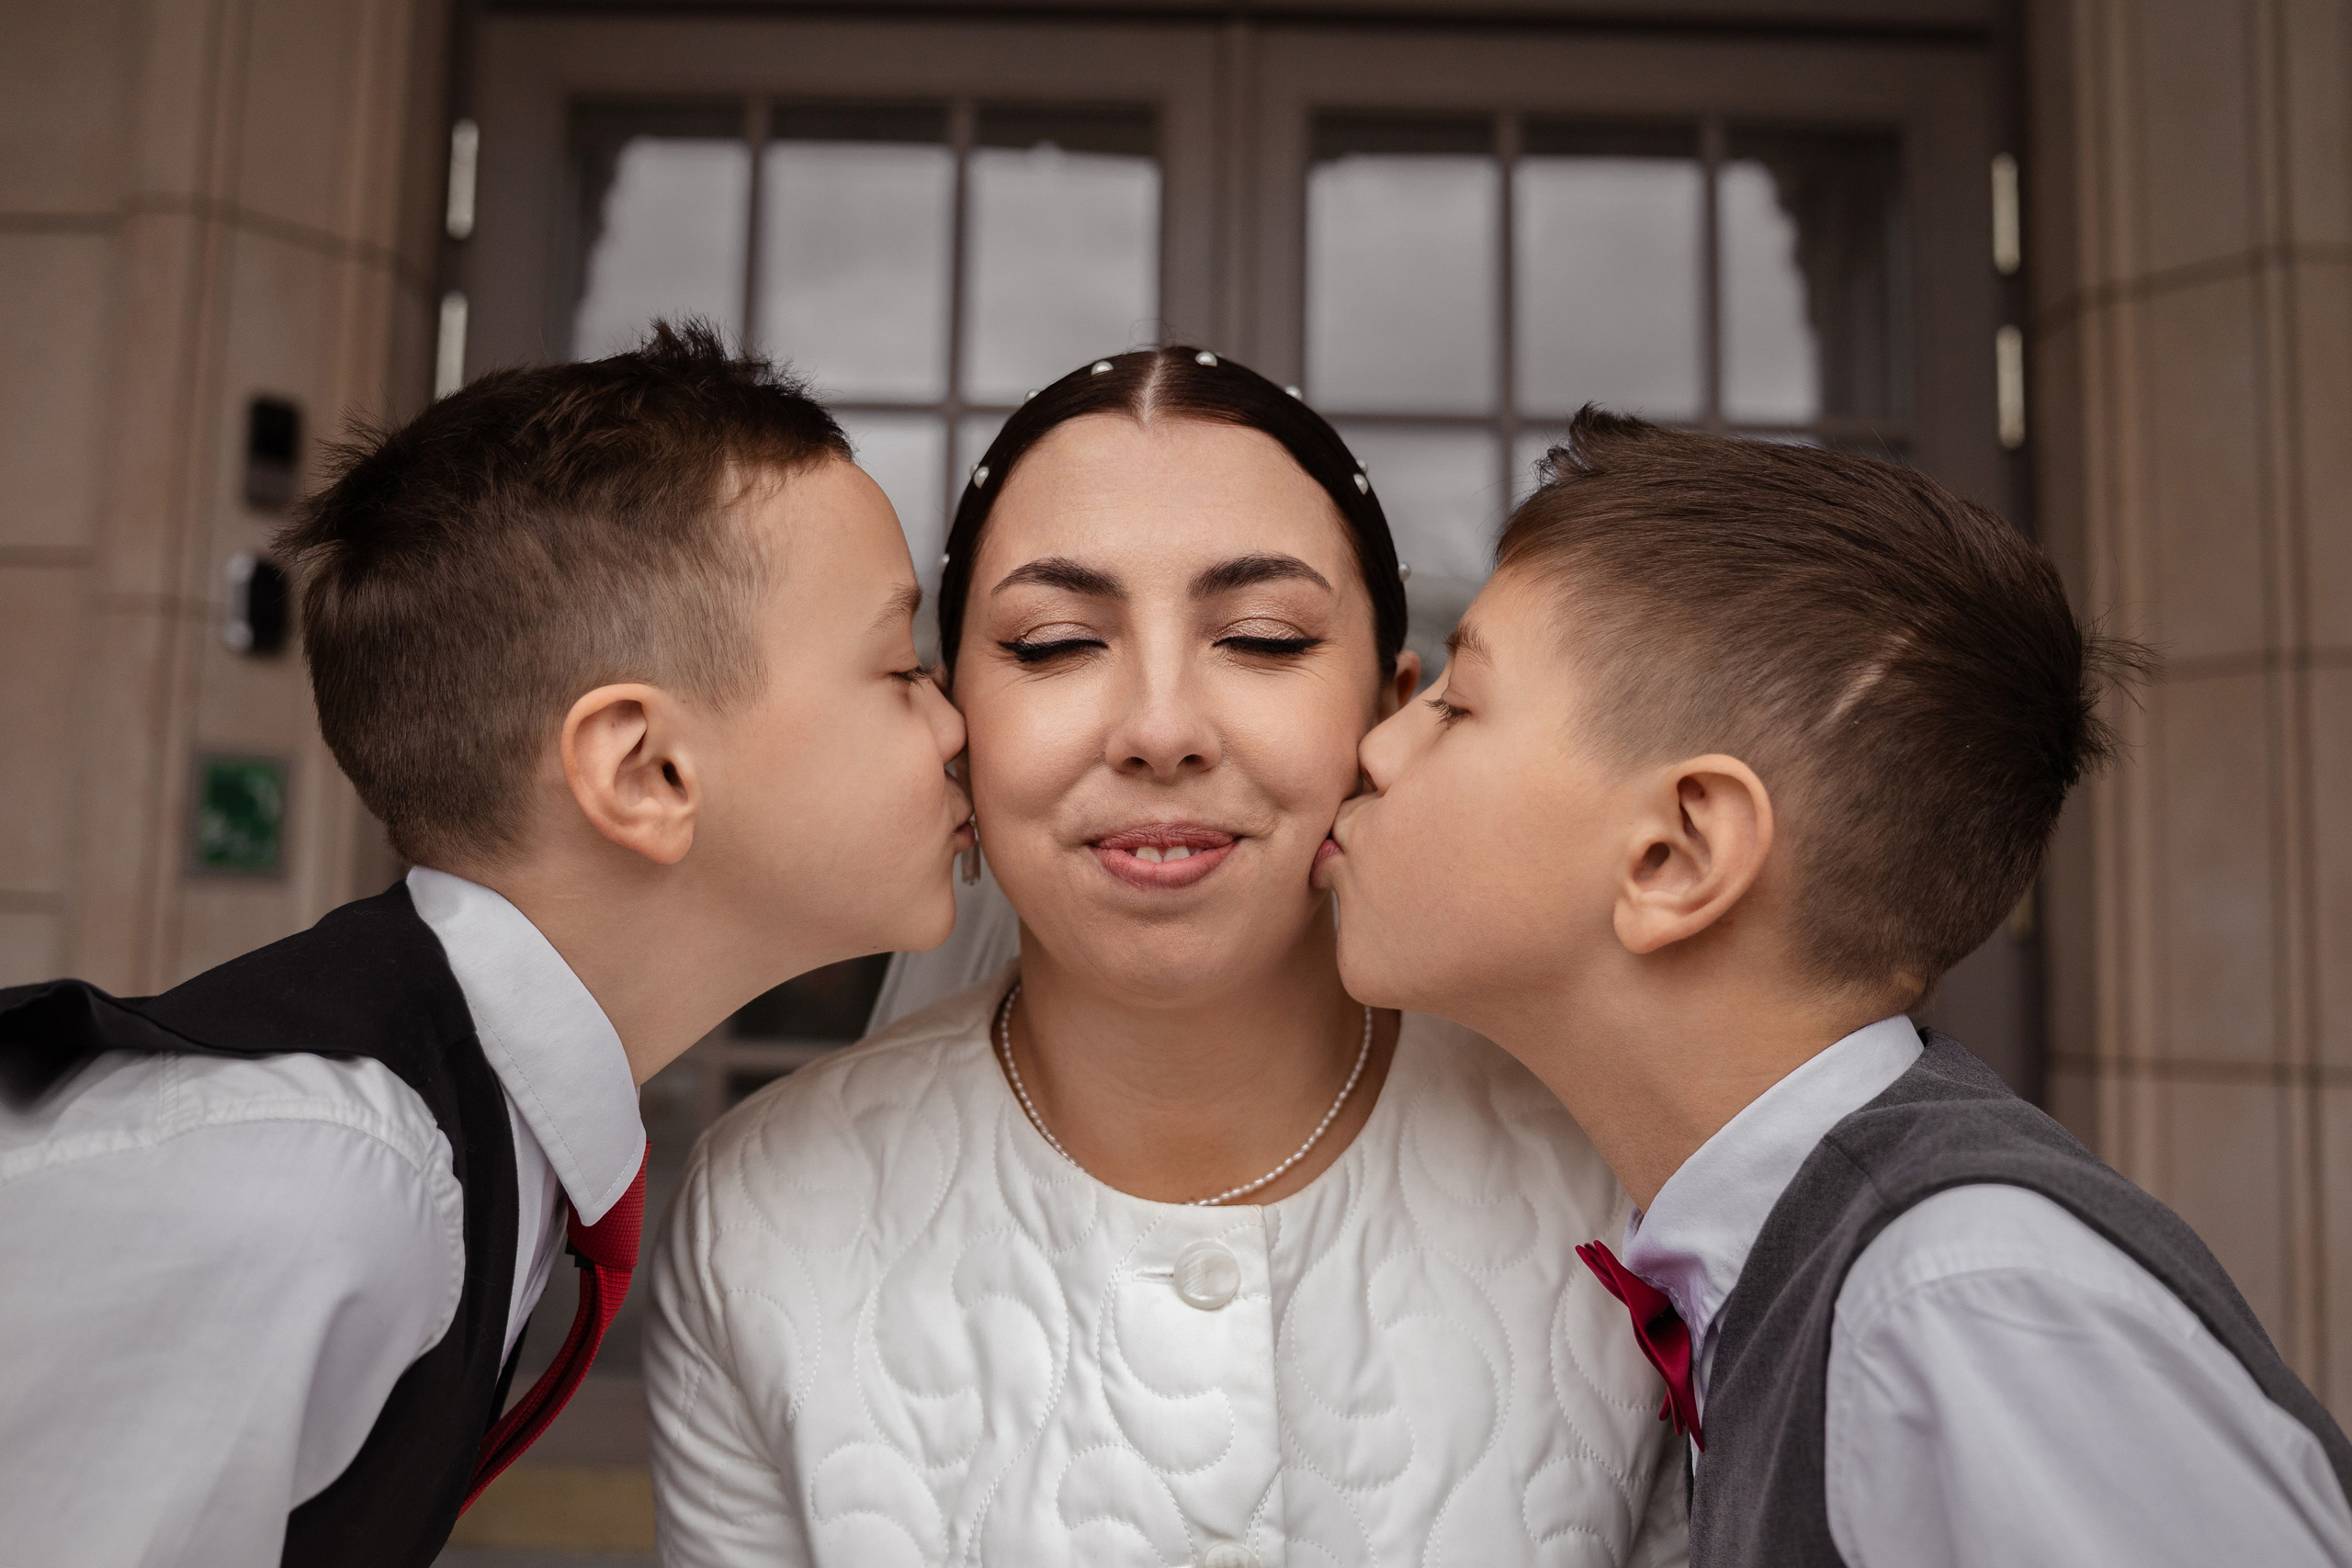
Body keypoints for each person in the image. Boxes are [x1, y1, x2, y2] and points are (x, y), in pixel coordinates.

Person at [646, 348, 1691, 1568]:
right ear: (950, 725)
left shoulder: (1618, 1174)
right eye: (1050, 643)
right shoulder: (761, 1213)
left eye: (1259, 636)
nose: (1158, 730)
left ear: (1393, 710)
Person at [0, 323, 971, 1568]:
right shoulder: (315, 1181)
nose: (957, 724)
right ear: (647, 769)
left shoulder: (440, 1150)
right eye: (900, 667)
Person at [1317, 408, 2352, 1567]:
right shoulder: (1819, 1266)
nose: (1378, 747)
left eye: (1458, 707)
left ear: (1677, 854)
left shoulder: (1961, 1298)